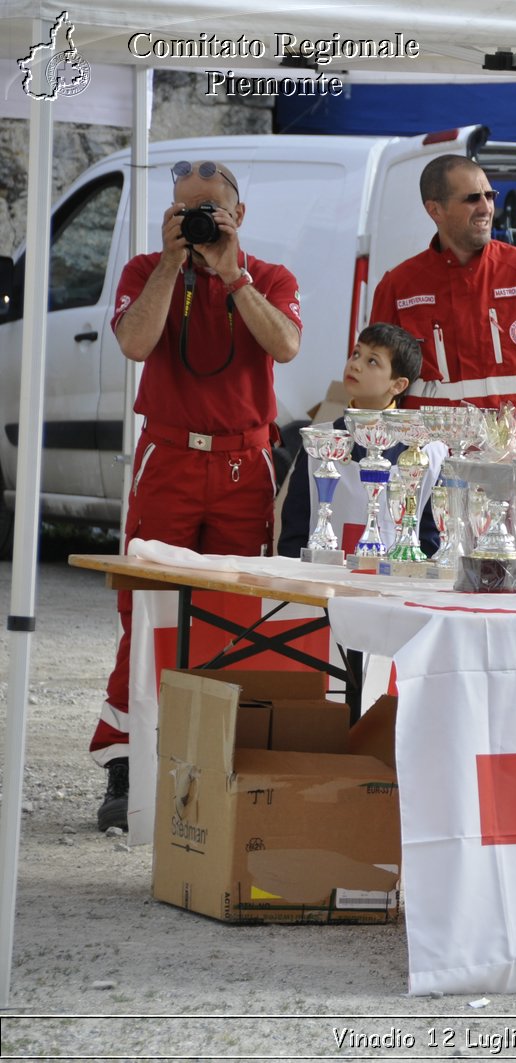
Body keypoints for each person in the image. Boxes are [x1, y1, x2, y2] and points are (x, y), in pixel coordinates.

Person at [92, 159, 303, 832]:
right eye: (186, 210)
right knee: (145, 608)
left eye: (209, 209)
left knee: (234, 613)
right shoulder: (144, 271)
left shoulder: (268, 278)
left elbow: (287, 345)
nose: (199, 221)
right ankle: (127, 761)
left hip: (244, 461)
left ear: (238, 214)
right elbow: (133, 342)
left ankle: (221, 760)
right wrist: (169, 264)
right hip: (171, 456)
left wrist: (230, 271)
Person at [369, 155, 516, 421]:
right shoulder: (398, 287)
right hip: (432, 457)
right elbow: (375, 387)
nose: (486, 208)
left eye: (490, 195)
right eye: (472, 198)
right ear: (435, 210)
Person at [277, 323, 441, 560]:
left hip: (392, 590)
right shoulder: (320, 441)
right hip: (323, 585)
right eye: (356, 353)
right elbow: (296, 526)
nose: (355, 364)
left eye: (372, 361)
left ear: (398, 385)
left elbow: (428, 541)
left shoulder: (422, 452)